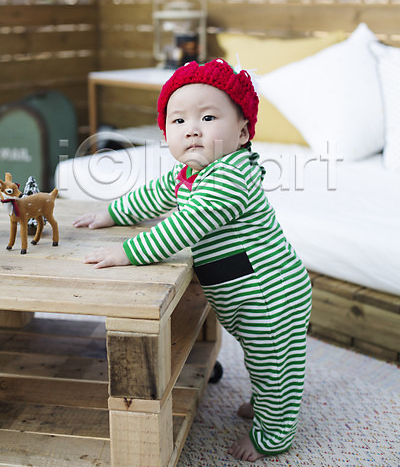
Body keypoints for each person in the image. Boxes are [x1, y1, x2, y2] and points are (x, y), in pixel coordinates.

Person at [74, 58, 312, 462]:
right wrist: (111, 213)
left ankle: (273, 435)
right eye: (178, 121)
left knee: (275, 364)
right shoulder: (192, 172)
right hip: (243, 291)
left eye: (207, 116)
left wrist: (126, 253)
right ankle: (268, 406)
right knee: (265, 361)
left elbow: (187, 224)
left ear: (241, 132)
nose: (192, 129)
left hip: (270, 294)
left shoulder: (232, 176)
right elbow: (153, 195)